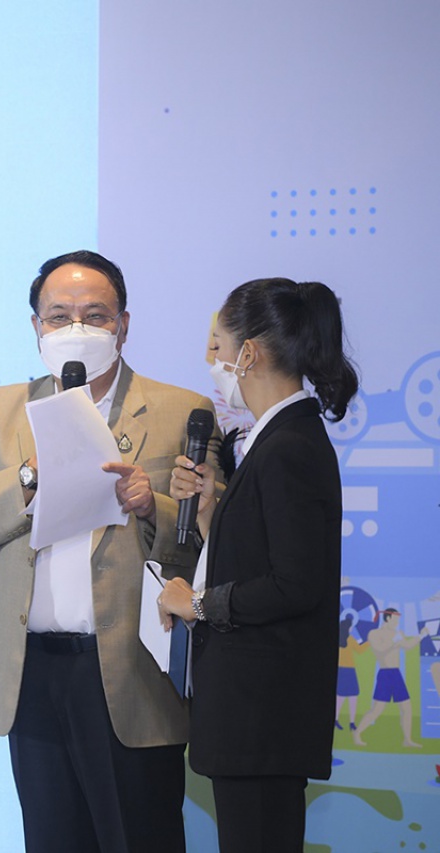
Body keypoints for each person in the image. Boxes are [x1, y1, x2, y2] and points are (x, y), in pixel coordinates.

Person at [0, 250, 221, 853]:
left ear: (123, 324)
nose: (76, 329)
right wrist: (27, 477)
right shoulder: (1, 410)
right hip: (30, 669)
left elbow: (209, 546)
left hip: (130, 672)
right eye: (58, 316)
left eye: (94, 315)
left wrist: (152, 506)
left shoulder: (183, 410)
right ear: (36, 326)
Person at [159, 277, 359, 853]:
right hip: (253, 720)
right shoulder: (277, 440)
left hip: (262, 718)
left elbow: (295, 584)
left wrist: (196, 604)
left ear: (248, 353)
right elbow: (262, 555)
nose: (211, 361)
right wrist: (210, 515)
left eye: (217, 345)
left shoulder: (289, 447)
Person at [353, 608, 428, 747]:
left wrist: (421, 635)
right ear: (388, 618)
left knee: (407, 708)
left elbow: (407, 646)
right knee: (377, 710)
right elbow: (380, 650)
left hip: (396, 674)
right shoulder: (374, 633)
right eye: (396, 619)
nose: (397, 622)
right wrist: (395, 640)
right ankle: (357, 733)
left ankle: (407, 740)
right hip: (385, 674)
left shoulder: (397, 633)